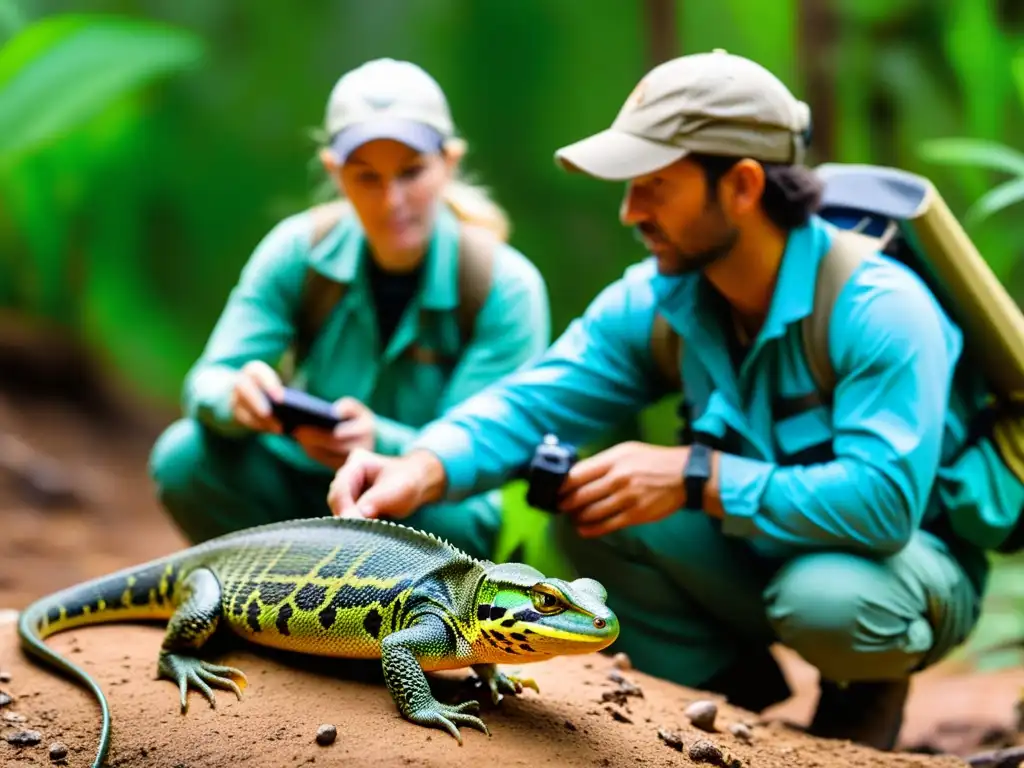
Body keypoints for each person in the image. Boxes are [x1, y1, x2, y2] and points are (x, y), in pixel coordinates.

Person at [325, 50, 1006, 750]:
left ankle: (865, 693)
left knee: (831, 601)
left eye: (652, 185)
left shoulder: (880, 307)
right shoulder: (660, 296)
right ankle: (743, 712)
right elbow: (537, 400)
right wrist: (421, 465)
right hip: (755, 552)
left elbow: (882, 505)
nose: (629, 211)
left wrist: (692, 476)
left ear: (741, 185)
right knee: (598, 514)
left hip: (890, 569)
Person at [148, 57, 551, 561]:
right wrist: (238, 399)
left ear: (449, 162)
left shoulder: (505, 287)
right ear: (335, 173)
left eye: (411, 173)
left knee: (462, 523)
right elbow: (208, 381)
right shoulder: (298, 251)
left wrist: (380, 440)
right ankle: (278, 600)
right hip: (304, 483)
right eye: (367, 178)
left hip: (425, 508)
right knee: (185, 459)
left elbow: (488, 443)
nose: (392, 201)